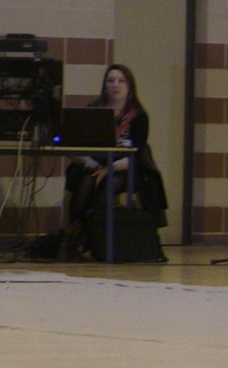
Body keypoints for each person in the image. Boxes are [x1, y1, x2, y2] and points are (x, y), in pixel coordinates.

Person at [62, 64, 167, 259]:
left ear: (129, 86)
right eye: (110, 81)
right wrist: (91, 163)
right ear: (105, 85)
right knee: (85, 181)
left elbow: (136, 154)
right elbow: (77, 145)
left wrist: (108, 169)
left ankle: (85, 232)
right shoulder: (93, 110)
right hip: (95, 164)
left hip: (127, 167)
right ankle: (75, 233)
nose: (115, 85)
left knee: (109, 183)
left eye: (121, 81)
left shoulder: (139, 116)